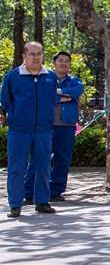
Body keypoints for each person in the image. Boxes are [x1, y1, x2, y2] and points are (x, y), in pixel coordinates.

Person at [0, 42, 58, 218]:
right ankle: (15, 205)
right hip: (19, 130)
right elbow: (6, 100)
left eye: (39, 53)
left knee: (43, 166)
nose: (36, 57)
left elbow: (51, 99)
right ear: (24, 56)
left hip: (43, 129)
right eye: (32, 54)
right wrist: (17, 115)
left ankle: (42, 201)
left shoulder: (50, 76)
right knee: (16, 167)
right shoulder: (12, 76)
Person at [24, 51, 84, 205]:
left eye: (67, 61)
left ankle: (55, 191)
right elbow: (41, 95)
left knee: (62, 159)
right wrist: (67, 97)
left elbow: (77, 92)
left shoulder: (74, 80)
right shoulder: (45, 79)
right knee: (38, 158)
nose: (64, 63)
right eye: (60, 60)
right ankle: (29, 192)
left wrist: (59, 93)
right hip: (46, 125)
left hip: (67, 125)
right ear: (54, 63)